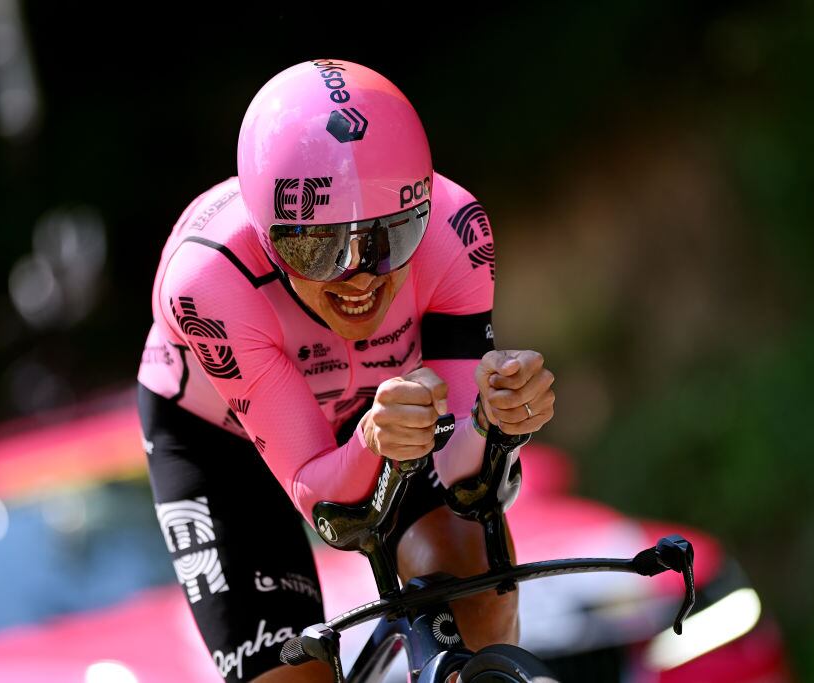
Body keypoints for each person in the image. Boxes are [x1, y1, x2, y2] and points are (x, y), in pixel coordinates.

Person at [136, 58, 556, 682]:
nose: (361, 275)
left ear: (423, 208)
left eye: (391, 237)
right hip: (223, 441)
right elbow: (326, 503)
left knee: (479, 591)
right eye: (318, 247)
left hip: (381, 410)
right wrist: (368, 441)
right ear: (266, 235)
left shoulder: (454, 230)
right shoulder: (209, 281)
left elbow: (465, 480)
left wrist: (498, 425)